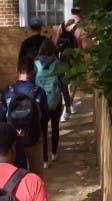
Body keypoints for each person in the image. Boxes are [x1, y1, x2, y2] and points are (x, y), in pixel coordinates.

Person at [0, 55, 49, 175]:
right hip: (33, 139)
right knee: (37, 176)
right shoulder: (39, 92)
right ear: (33, 71)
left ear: (17, 70)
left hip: (13, 143)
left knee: (15, 177)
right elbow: (45, 117)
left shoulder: (7, 92)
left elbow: (1, 118)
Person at [34, 38, 71, 166]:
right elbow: (63, 85)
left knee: (43, 132)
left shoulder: (35, 64)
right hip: (55, 101)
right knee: (55, 128)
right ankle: (54, 154)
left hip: (40, 103)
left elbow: (32, 85)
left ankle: (44, 160)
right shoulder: (57, 64)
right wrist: (68, 102)